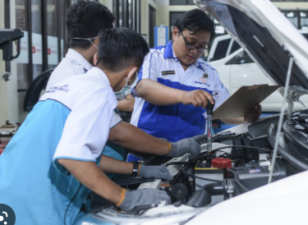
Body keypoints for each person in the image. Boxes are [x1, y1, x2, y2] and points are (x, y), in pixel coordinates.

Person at [0, 28, 172, 225]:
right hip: (39, 206)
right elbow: (72, 158)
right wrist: (126, 198)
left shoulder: (70, 86)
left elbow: (87, 156)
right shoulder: (99, 93)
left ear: (96, 57)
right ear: (132, 73)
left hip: (9, 191)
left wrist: (138, 169)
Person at [45, 1, 200, 164]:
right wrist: (168, 148)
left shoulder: (83, 72)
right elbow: (116, 132)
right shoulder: (75, 78)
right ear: (99, 41)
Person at [130, 9, 261, 142]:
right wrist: (184, 95)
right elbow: (144, 88)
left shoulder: (209, 72)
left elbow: (222, 112)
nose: (194, 51)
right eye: (190, 43)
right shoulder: (153, 57)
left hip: (190, 152)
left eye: (201, 47)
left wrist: (245, 117)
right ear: (175, 33)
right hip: (145, 147)